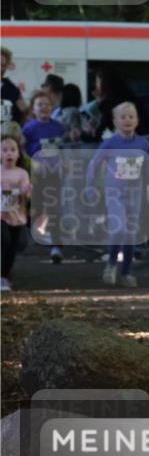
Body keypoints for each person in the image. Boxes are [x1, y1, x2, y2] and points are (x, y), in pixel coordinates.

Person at [86, 102, 149, 288]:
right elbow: (94, 165)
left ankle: (126, 272)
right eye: (123, 117)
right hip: (115, 195)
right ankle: (111, 264)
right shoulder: (110, 143)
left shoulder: (143, 143)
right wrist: (89, 186)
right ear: (115, 121)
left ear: (137, 120)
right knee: (120, 229)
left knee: (130, 234)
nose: (127, 120)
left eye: (131, 117)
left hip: (135, 196)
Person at [22, 91, 66, 264]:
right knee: (36, 207)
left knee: (55, 209)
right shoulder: (30, 127)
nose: (44, 107)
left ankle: (56, 246)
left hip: (54, 174)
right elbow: (22, 147)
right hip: (36, 175)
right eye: (40, 104)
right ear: (33, 109)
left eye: (47, 104)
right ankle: (30, 232)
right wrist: (27, 163)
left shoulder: (58, 127)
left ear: (52, 107)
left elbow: (62, 146)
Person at [1, 136, 31, 292]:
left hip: (17, 218)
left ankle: (4, 277)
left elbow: (27, 192)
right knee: (4, 241)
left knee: (12, 248)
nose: (9, 154)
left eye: (12, 150)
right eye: (4, 150)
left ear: (18, 154)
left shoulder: (22, 174)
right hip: (1, 217)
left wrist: (25, 192)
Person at [1, 47, 29, 126]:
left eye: (3, 65)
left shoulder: (12, 89)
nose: (0, 69)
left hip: (5, 134)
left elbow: (24, 111)